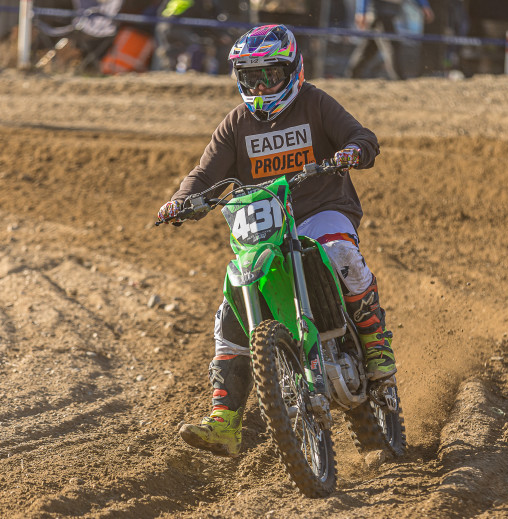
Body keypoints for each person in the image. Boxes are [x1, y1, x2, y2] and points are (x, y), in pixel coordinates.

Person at [156, 24, 394, 457]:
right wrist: (180, 201)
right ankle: (225, 420)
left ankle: (375, 343)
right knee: (232, 306)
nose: (262, 87)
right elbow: (205, 174)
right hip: (263, 223)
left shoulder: (314, 103)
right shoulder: (236, 123)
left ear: (293, 70)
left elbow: (363, 137)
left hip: (319, 210)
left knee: (340, 251)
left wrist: (352, 152)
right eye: (251, 78)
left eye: (270, 75)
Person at [346, 0, 433, 79]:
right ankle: (398, 78)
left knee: (370, 47)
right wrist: (361, 11)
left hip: (385, 13)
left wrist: (424, 5)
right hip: (380, 13)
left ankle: (352, 74)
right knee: (391, 45)